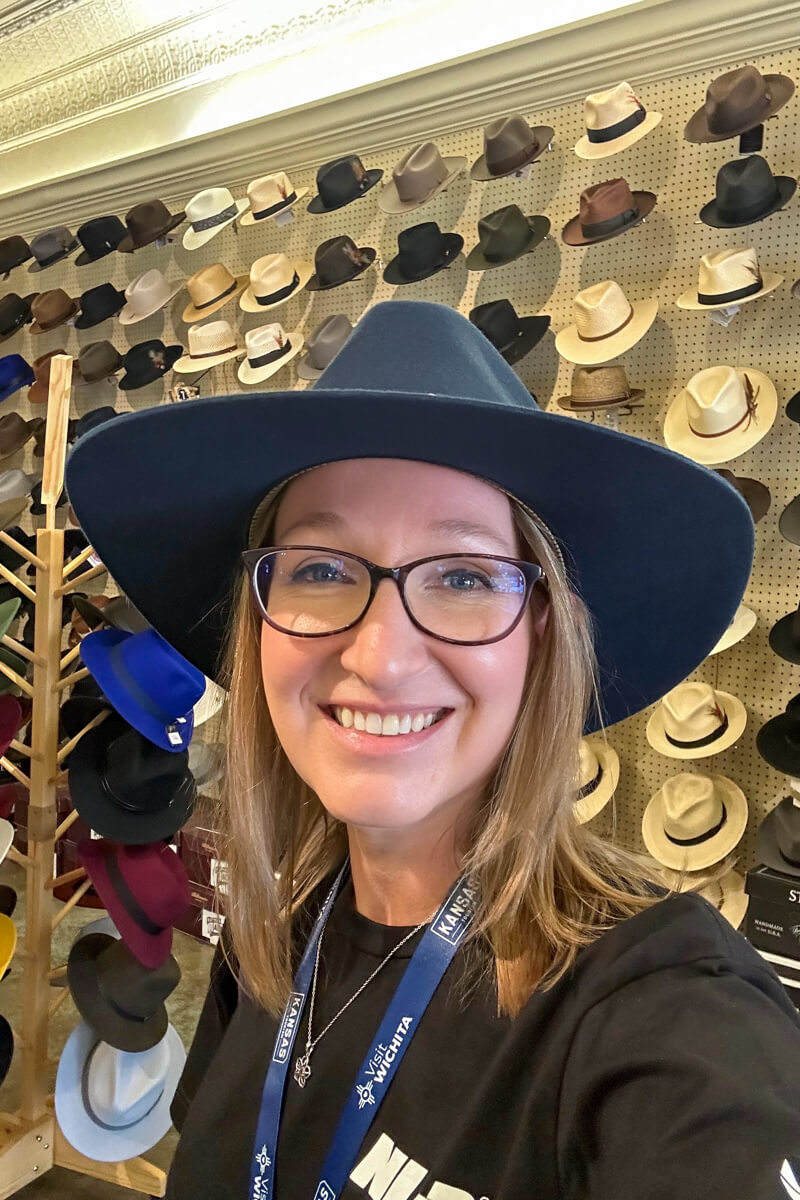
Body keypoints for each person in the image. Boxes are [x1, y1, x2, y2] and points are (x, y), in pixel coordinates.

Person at [66, 301, 800, 1200]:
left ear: (542, 636)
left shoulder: (665, 1011)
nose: (380, 658)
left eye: (462, 576)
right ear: (258, 623)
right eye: (321, 569)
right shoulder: (271, 944)